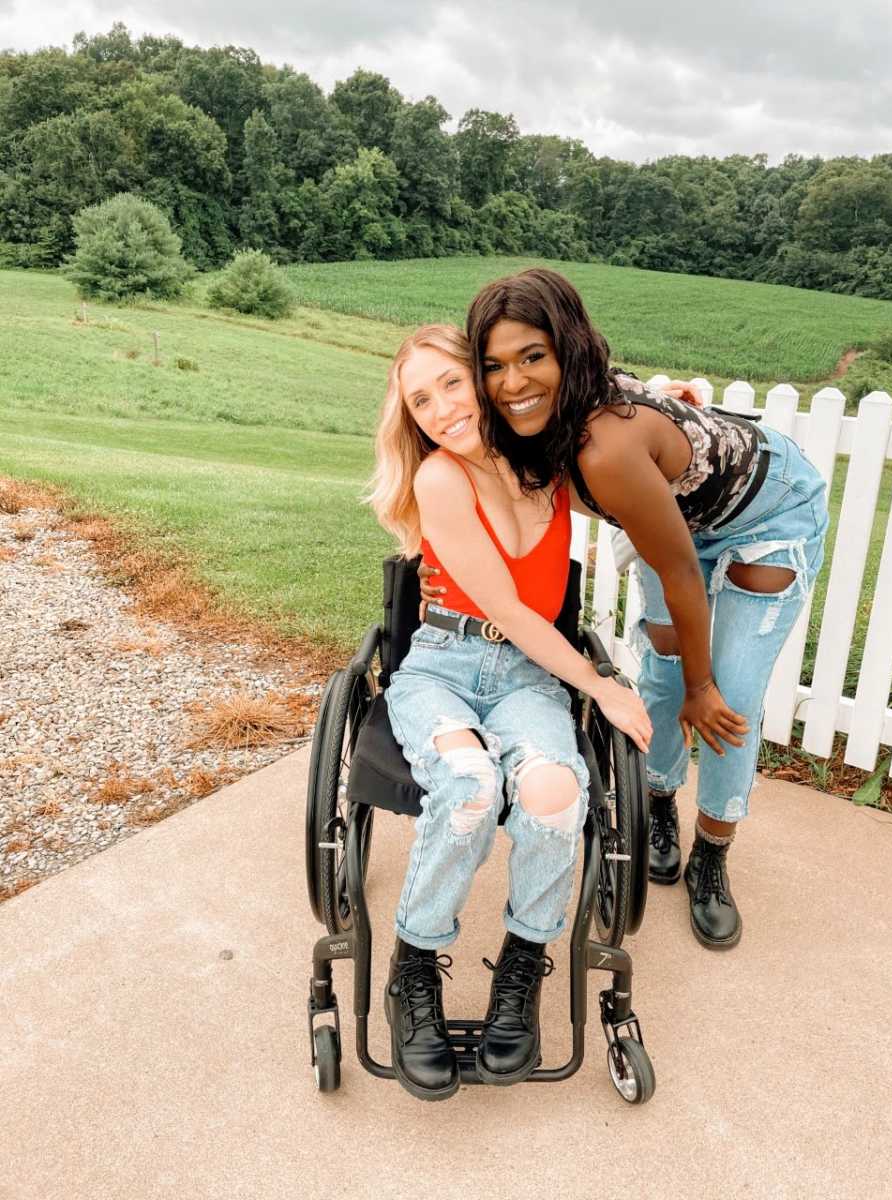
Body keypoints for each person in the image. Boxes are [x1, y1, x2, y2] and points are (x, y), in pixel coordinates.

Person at [423, 268, 828, 952]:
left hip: (766, 513)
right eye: (494, 365)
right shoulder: (532, 421)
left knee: (728, 694)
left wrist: (705, 689)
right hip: (673, 519)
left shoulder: (604, 447)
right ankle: (660, 802)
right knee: (664, 671)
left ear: (569, 351)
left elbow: (677, 573)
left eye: (533, 358)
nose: (513, 382)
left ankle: (714, 851)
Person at [367, 324, 652, 1101]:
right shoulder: (438, 480)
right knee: (468, 787)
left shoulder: (546, 459)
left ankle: (521, 970)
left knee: (556, 796)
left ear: (486, 379)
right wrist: (602, 685)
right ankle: (413, 970)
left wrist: (672, 403)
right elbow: (511, 610)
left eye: (450, 384)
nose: (438, 409)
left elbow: (607, 411)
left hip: (528, 676)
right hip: (445, 666)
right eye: (419, 400)